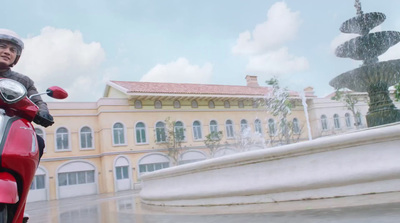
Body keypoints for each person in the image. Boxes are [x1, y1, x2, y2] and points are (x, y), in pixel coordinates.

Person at [0, 29, 53, 222]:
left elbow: (37, 100)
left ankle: (22, 193)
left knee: (38, 142)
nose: (7, 51)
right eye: (2, 46)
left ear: (16, 57)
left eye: (12, 49)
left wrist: (44, 112)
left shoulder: (23, 81)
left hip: (11, 128)